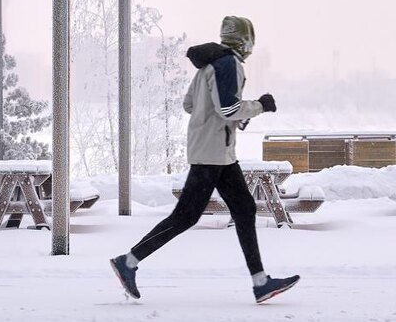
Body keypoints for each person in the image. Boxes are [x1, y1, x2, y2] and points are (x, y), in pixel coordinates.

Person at [110, 15, 300, 304]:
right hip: (213, 154)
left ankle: (260, 282)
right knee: (185, 216)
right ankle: (129, 261)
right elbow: (229, 109)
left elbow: (189, 105)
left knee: (245, 209)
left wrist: (222, 117)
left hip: (217, 153)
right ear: (246, 41)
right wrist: (260, 105)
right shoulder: (230, 64)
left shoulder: (209, 66)